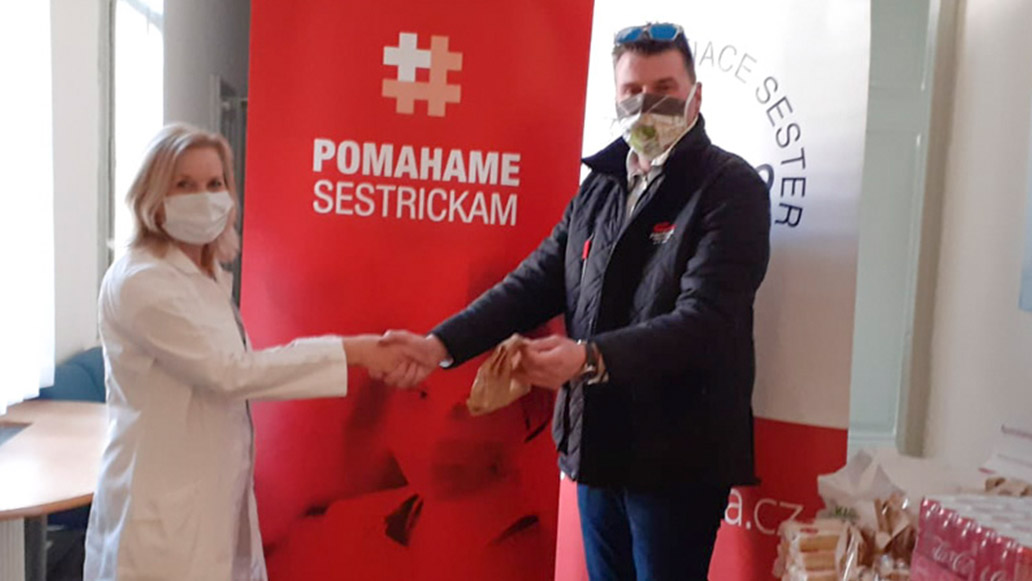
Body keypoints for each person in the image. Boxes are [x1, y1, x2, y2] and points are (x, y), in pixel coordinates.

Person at [383, 22, 771, 579]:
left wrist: (590, 359)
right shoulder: (600, 186)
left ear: (696, 95)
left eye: (664, 87)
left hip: (678, 459)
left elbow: (706, 321)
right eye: (632, 91)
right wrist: (439, 344)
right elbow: (535, 282)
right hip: (598, 446)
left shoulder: (729, 188)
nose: (648, 105)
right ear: (616, 100)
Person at [83, 123, 419, 581]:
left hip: (209, 499)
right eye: (184, 184)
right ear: (154, 197)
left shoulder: (203, 277)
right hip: (161, 511)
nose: (204, 197)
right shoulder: (143, 281)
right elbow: (229, 373)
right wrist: (353, 351)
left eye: (215, 183)